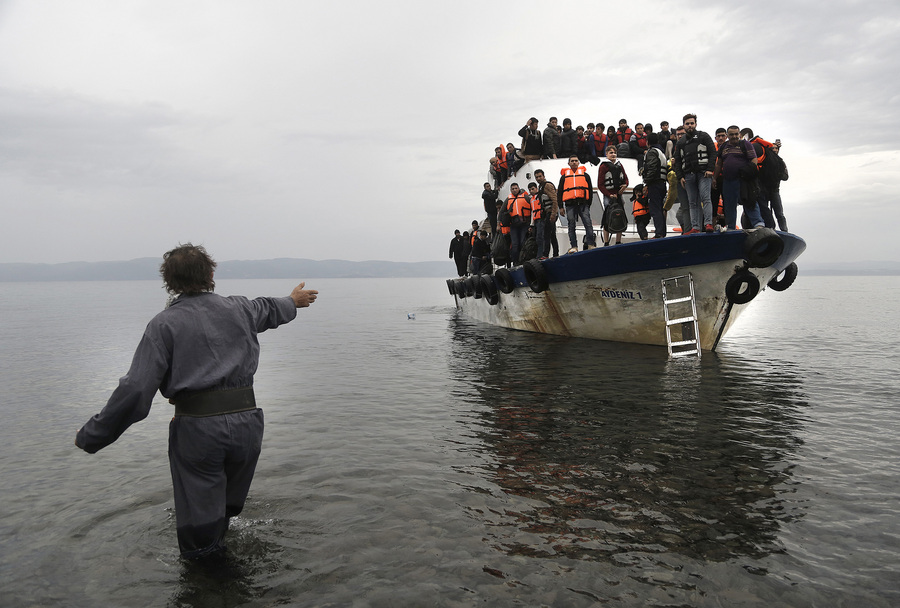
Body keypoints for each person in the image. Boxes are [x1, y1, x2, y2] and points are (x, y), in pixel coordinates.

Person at [74, 244, 319, 559]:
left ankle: (210, 581)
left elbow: (136, 389)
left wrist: (94, 435)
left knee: (200, 528)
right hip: (248, 424)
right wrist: (293, 301)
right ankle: (234, 579)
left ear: (169, 282)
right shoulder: (241, 309)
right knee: (227, 510)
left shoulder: (164, 325)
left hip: (199, 431)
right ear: (212, 274)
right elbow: (270, 307)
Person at [713, 125, 766, 230]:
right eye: (731, 134)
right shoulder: (724, 147)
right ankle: (731, 227)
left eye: (736, 134)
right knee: (729, 205)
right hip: (728, 181)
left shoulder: (745, 144)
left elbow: (754, 159)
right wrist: (714, 178)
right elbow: (719, 164)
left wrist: (749, 172)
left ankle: (758, 224)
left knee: (750, 201)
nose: (734, 136)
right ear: (728, 136)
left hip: (744, 180)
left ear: (739, 134)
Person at [673, 113, 716, 234]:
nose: (690, 125)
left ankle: (708, 223)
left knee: (705, 198)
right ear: (684, 125)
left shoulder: (704, 136)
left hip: (704, 174)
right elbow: (677, 161)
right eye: (687, 124)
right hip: (688, 175)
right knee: (692, 202)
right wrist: (680, 176)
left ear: (696, 124)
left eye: (692, 123)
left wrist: (710, 169)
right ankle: (695, 227)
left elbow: (713, 152)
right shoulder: (681, 142)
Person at [558, 155, 596, 252]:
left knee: (588, 224)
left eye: (576, 161)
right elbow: (560, 192)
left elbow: (590, 190)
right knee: (571, 225)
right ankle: (574, 246)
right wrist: (560, 207)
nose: (574, 162)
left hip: (583, 204)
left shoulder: (585, 175)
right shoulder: (564, 177)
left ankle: (591, 244)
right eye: (572, 161)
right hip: (570, 204)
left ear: (578, 163)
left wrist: (588, 203)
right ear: (569, 163)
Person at [597, 146, 629, 246]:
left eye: (614, 153)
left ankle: (618, 241)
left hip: (619, 195)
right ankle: (606, 242)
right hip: (608, 196)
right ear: (606, 154)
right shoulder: (603, 166)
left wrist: (625, 185)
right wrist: (609, 194)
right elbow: (600, 185)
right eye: (611, 153)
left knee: (620, 216)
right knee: (607, 217)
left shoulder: (620, 165)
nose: (613, 154)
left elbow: (626, 179)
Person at [642, 133, 669, 238]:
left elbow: (652, 168)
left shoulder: (652, 152)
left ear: (648, 142)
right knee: (660, 208)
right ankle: (662, 232)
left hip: (655, 183)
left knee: (655, 209)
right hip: (662, 183)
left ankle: (659, 233)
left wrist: (647, 182)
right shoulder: (661, 152)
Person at [534, 168, 560, 257]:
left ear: (544, 176)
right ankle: (555, 253)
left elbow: (554, 200)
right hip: (547, 213)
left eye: (540, 176)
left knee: (547, 234)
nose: (538, 178)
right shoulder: (541, 187)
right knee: (552, 235)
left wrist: (553, 214)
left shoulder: (547, 185)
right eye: (536, 177)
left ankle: (545, 254)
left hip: (551, 212)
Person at [506, 183, 531, 265]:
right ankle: (515, 262)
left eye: (516, 188)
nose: (514, 190)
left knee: (522, 242)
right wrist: (499, 223)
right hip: (514, 225)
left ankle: (523, 260)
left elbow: (533, 208)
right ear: (510, 190)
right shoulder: (508, 199)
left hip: (524, 224)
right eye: (512, 189)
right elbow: (502, 210)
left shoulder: (526, 197)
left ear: (518, 188)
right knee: (515, 244)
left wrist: (531, 224)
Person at [527, 182, 545, 259]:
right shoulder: (532, 199)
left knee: (540, 238)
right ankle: (538, 254)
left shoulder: (540, 196)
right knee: (537, 239)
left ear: (536, 188)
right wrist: (531, 224)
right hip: (536, 221)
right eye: (530, 190)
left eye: (533, 189)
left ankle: (540, 255)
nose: (531, 191)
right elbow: (532, 212)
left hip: (542, 219)